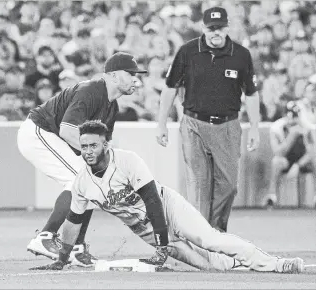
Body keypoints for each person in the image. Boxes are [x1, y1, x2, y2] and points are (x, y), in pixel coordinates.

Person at [30, 120, 304, 274]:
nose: (88, 150)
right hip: (143, 228)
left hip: (167, 207)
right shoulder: (82, 183)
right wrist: (62, 259)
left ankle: (277, 264)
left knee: (210, 239)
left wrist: (162, 244)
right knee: (207, 268)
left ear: (106, 145)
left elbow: (152, 200)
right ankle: (239, 263)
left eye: (94, 145)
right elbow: (73, 221)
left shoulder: (127, 160)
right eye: (84, 145)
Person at [17, 52, 147, 266]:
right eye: (131, 73)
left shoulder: (111, 106)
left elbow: (103, 145)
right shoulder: (92, 90)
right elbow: (67, 131)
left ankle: (76, 248)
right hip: (39, 132)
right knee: (79, 179)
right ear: (113, 75)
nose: (136, 79)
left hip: (53, 136)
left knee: (90, 183)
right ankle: (45, 237)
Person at [156, 7, 260, 233]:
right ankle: (201, 237)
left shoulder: (242, 54)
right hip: (194, 124)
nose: (215, 32)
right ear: (203, 28)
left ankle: (216, 232)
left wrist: (254, 127)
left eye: (220, 27)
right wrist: (162, 122)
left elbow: (251, 93)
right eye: (211, 28)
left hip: (228, 125)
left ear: (227, 27)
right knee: (199, 187)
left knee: (229, 186)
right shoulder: (187, 51)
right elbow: (170, 87)